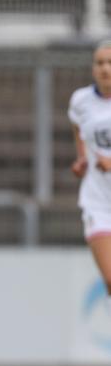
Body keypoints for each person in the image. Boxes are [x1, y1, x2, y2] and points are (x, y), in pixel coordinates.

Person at [69, 40, 111, 316]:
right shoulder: (81, 100)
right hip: (98, 202)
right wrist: (82, 158)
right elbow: (78, 128)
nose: (105, 68)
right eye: (99, 63)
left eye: (110, 63)